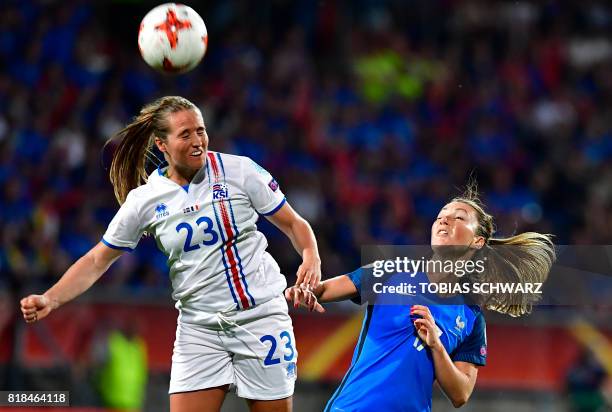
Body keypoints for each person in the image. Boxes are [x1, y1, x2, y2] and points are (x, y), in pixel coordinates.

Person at [20, 96, 322, 412]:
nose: (198, 141)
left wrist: (311, 255)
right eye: (185, 134)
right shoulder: (145, 200)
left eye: (200, 131)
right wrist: (51, 298)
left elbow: (293, 222)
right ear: (162, 145)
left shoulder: (240, 171)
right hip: (200, 328)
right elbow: (97, 260)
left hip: (259, 317)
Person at [287, 184, 555, 411]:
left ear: (478, 242)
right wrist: (303, 290)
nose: (444, 220)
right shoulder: (389, 272)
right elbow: (323, 290)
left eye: (459, 217)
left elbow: (461, 394)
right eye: (441, 215)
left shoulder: (471, 317)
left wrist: (437, 346)